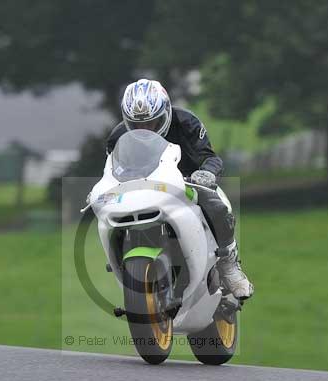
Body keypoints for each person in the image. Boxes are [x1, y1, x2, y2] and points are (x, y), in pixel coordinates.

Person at [106, 79, 254, 299]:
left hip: (188, 183)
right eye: (137, 125)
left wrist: (206, 173)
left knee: (216, 205)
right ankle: (120, 262)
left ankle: (228, 264)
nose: (145, 130)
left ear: (165, 112)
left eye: (152, 123)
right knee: (109, 213)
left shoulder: (187, 122)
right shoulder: (117, 137)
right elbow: (111, 170)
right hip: (140, 190)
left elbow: (210, 157)